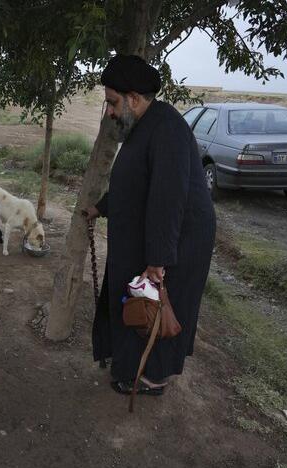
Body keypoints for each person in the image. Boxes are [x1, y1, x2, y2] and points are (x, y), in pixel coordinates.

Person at [82, 54, 216, 396]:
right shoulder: (145, 125)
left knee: (162, 309)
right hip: (157, 236)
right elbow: (135, 183)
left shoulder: (167, 129)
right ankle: (130, 364)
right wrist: (101, 207)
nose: (109, 112)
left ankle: (154, 377)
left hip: (178, 240)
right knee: (138, 306)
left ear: (134, 99)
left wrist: (158, 260)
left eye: (112, 103)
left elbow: (167, 200)